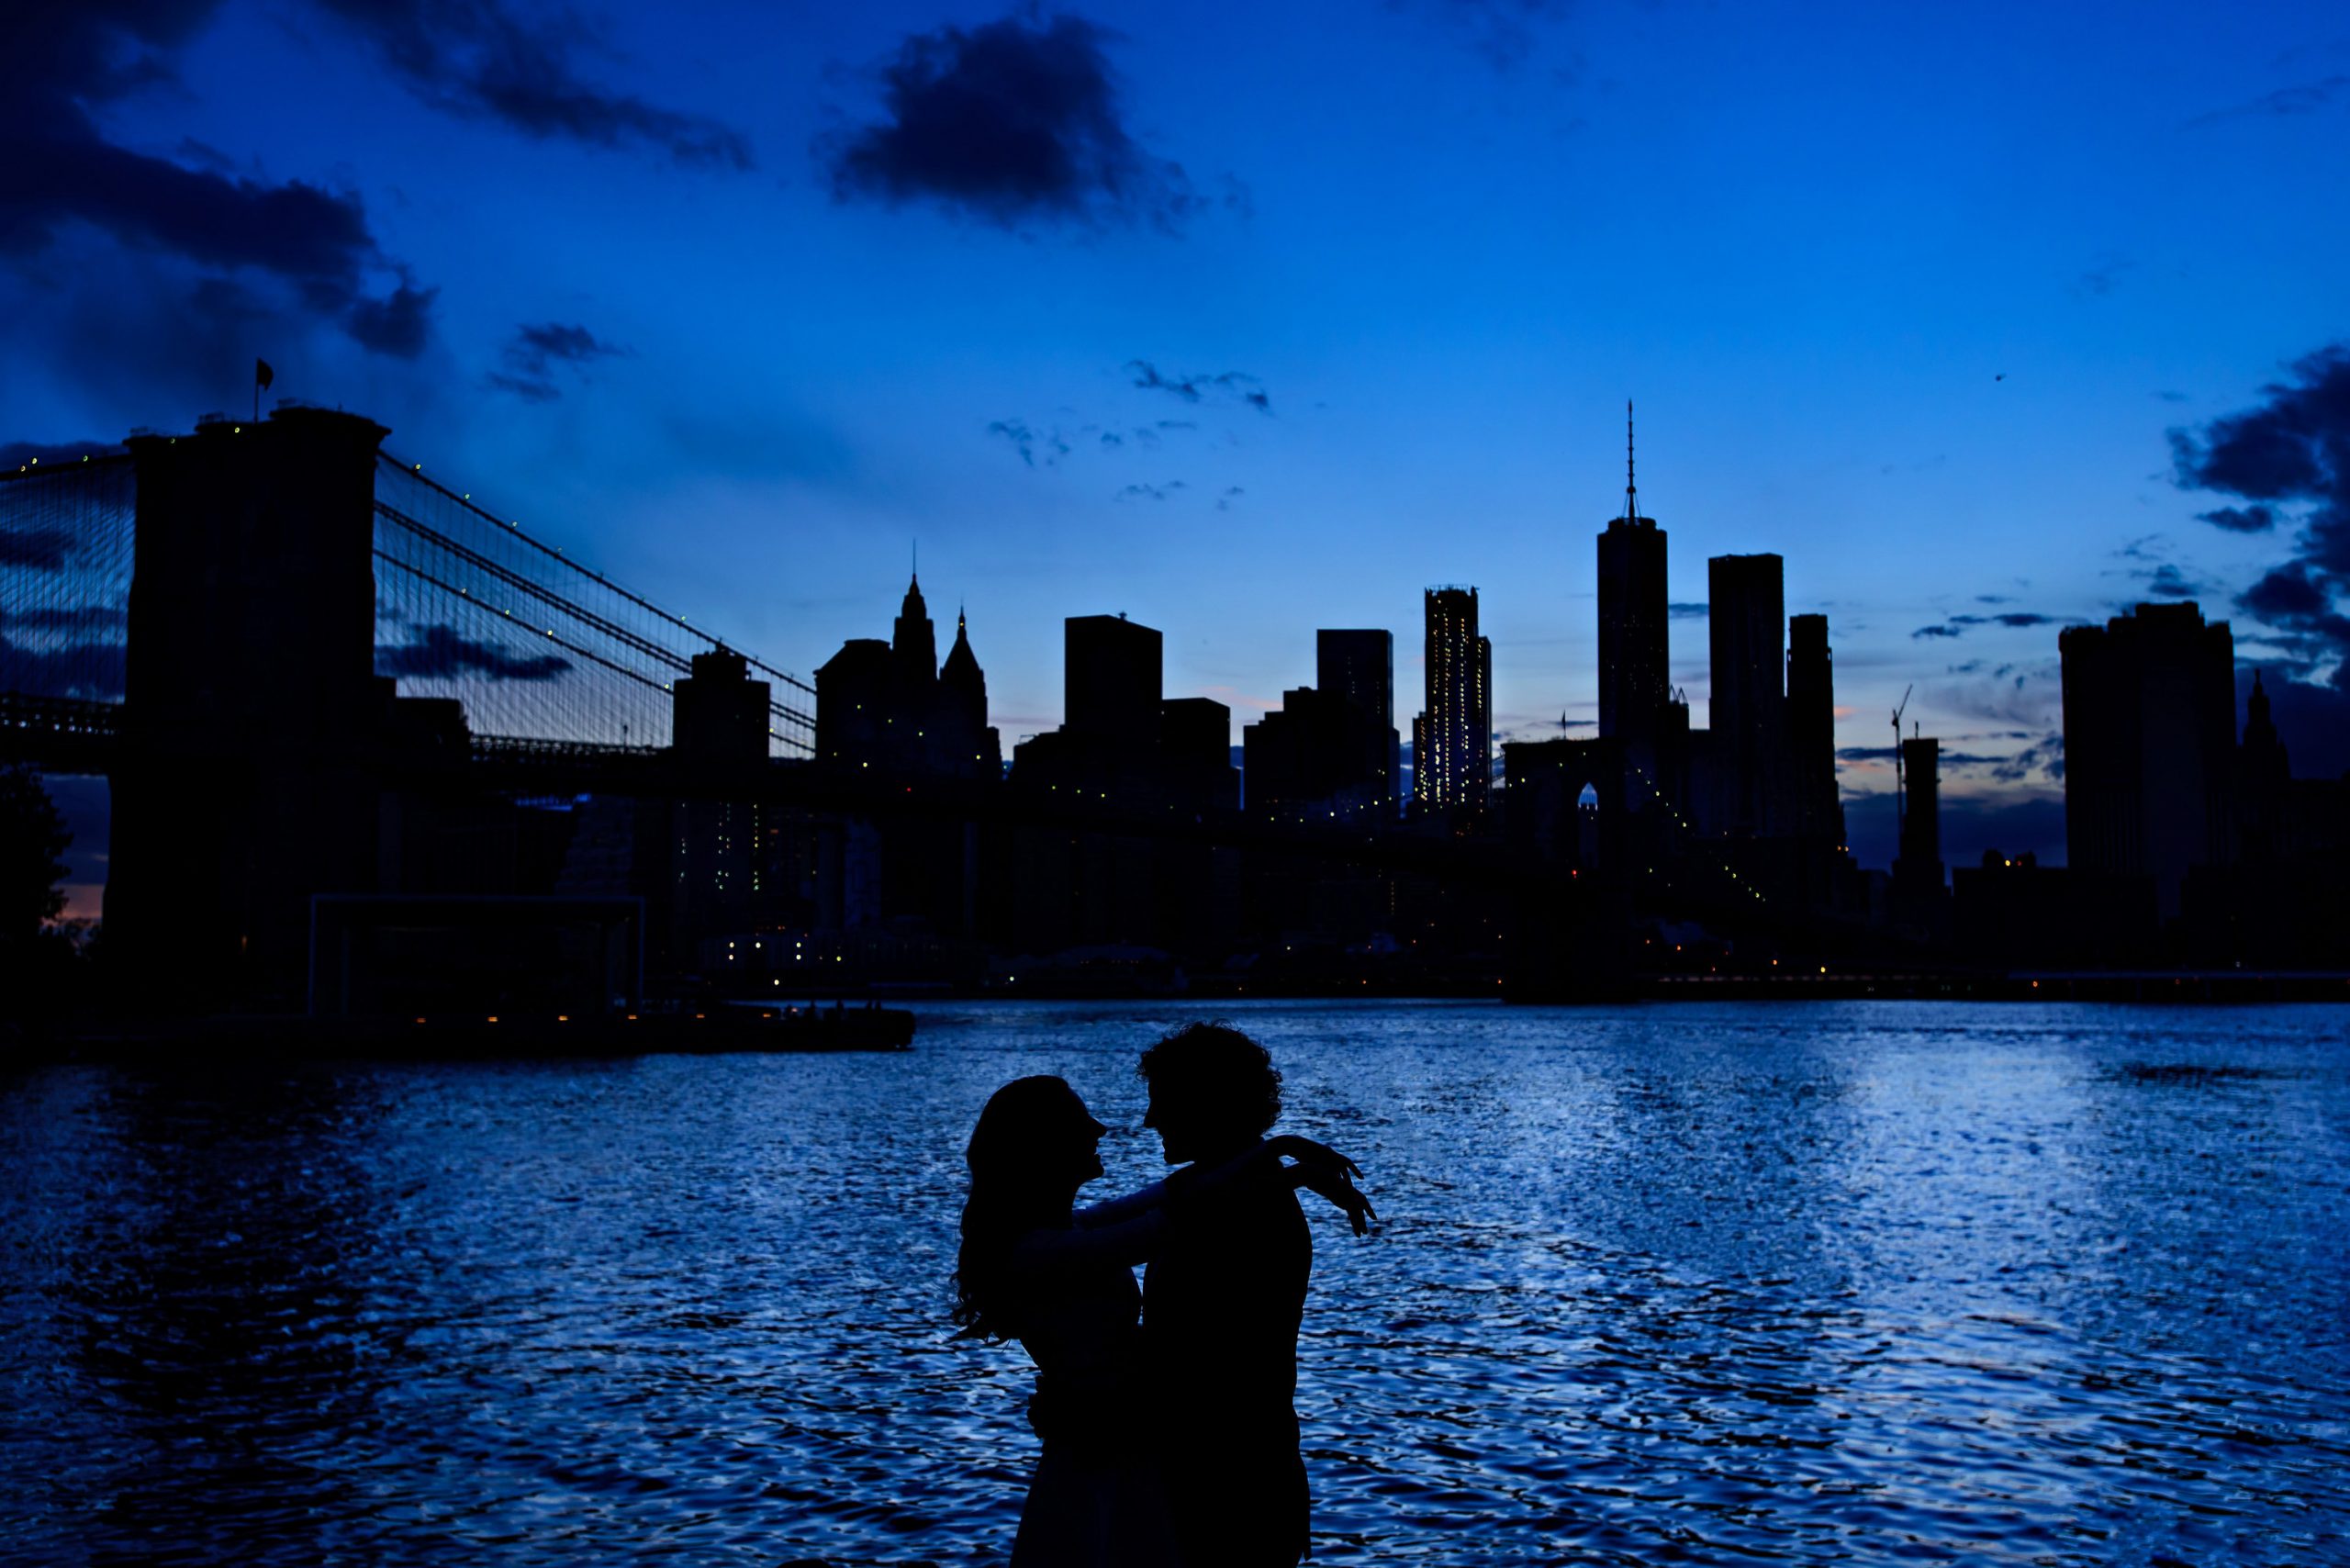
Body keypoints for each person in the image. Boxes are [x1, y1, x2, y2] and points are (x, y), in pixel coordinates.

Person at [955, 1074, 1370, 1568]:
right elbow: (1174, 1220)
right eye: (1079, 1121)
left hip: (1112, 1440)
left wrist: (1282, 1151)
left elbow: (1168, 1199)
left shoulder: (1066, 1231)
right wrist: (1289, 1168)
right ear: (1044, 1147)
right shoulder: (1039, 1251)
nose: (1100, 1129)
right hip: (1104, 1447)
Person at [1139, 1024, 1354, 1568]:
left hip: (1224, 1479)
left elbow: (1198, 1359)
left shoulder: (1242, 1206)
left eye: (1164, 1102)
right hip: (1237, 1468)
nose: (1150, 1119)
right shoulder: (1240, 1192)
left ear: (1207, 1104)